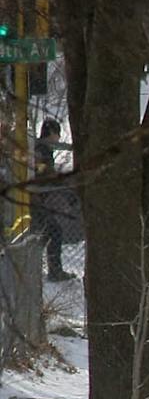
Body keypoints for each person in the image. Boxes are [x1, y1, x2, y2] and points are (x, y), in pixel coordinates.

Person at [31, 119, 70, 280]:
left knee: (47, 233)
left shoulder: (41, 148)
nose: (59, 138)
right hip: (34, 200)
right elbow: (45, 173)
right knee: (54, 231)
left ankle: (37, 267)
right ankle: (54, 271)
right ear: (52, 133)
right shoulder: (42, 150)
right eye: (58, 133)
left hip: (36, 199)